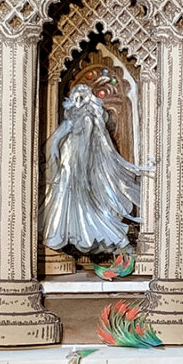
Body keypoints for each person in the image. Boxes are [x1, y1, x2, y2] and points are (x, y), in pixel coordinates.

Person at [42, 84, 144, 253]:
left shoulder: (89, 120)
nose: (77, 101)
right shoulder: (72, 120)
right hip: (67, 168)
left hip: (78, 170)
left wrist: (81, 170)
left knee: (85, 205)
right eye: (75, 97)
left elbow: (89, 148)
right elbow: (56, 140)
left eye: (81, 97)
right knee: (63, 199)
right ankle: (60, 235)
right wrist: (53, 157)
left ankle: (115, 239)